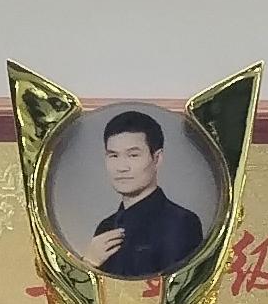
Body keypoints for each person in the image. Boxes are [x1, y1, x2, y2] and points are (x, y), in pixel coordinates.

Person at [85, 107, 208, 279]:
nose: (122, 167)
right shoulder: (106, 226)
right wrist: (89, 262)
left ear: (157, 159)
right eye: (113, 156)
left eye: (133, 155)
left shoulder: (182, 223)